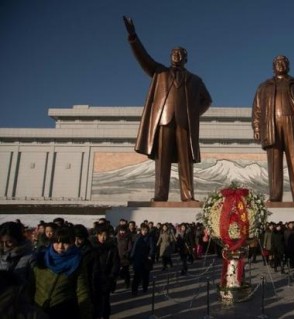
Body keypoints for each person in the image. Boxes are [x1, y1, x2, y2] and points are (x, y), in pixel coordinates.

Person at [123, 16, 212, 202]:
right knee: (161, 160)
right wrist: (133, 37)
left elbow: (207, 100)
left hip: (184, 123)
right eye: (174, 52)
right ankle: (160, 194)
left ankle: (188, 196)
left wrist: (193, 114)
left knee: (185, 160)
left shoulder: (195, 80)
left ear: (186, 58)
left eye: (180, 53)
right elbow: (143, 58)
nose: (176, 55)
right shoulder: (160, 72)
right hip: (163, 120)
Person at [252, 55, 294, 202]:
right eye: (277, 62)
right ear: (273, 66)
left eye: (283, 62)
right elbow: (257, 109)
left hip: (292, 123)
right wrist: (256, 128)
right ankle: (275, 196)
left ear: (288, 66)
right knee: (274, 162)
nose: (280, 65)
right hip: (271, 124)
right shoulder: (264, 86)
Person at [32, 226, 92, 319]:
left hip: (63, 311)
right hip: (37, 310)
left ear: (72, 242)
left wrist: (86, 313)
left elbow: (82, 291)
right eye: (57, 242)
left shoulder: (77, 261)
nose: (60, 246)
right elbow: (31, 284)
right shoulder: (41, 257)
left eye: (65, 243)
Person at [90, 224, 120, 319]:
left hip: (106, 279)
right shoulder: (92, 247)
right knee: (94, 302)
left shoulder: (112, 248)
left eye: (105, 235)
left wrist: (112, 276)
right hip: (93, 278)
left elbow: (115, 263)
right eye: (101, 235)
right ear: (97, 235)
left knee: (105, 301)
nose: (103, 237)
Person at [130, 223, 156, 295]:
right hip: (138, 259)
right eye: (143, 230)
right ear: (140, 230)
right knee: (136, 276)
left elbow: (152, 248)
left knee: (145, 276)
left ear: (148, 230)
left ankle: (145, 287)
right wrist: (132, 256)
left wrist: (150, 255)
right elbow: (134, 248)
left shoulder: (150, 238)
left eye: (146, 230)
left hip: (146, 260)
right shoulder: (137, 237)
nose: (144, 231)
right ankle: (134, 290)